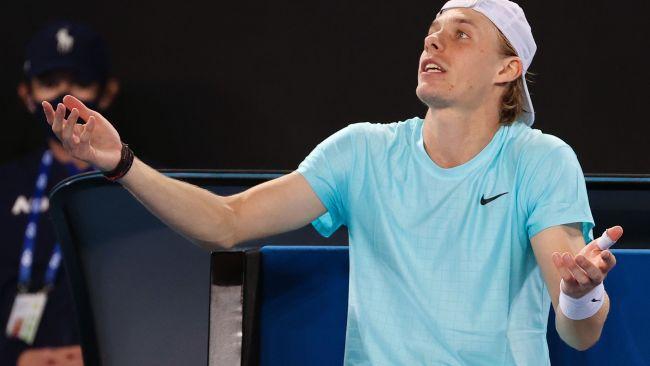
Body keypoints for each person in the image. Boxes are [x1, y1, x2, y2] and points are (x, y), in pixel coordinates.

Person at [43, 1, 621, 364]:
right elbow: (227, 224)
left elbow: (579, 336)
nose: (432, 43)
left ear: (506, 69)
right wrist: (121, 163)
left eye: (460, 34)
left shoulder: (541, 160)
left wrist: (579, 294)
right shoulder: (361, 151)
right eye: (431, 33)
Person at [1, 21, 118, 365]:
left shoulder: (142, 182)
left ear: (107, 93)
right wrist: (15, 358)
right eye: (50, 83)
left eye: (81, 82)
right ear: (26, 95)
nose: (67, 98)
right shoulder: (6, 184)